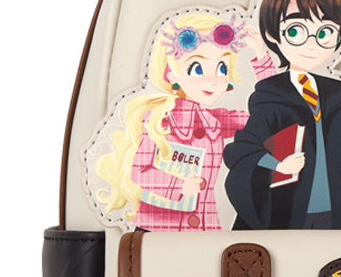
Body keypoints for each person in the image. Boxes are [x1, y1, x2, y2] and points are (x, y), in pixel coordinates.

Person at [223, 0, 341, 229]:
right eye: (296, 31)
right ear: (272, 34)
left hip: (333, 217)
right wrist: (277, 165)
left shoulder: (337, 96)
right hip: (286, 215)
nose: (312, 44)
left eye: (325, 32)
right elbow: (244, 150)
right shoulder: (271, 97)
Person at [95, 12, 274, 230]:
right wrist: (178, 185)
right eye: (197, 69)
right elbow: (139, 171)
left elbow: (268, 115)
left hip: (205, 231)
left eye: (221, 68)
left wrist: (261, 55)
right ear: (171, 75)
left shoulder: (215, 121)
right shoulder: (160, 120)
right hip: (158, 231)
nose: (213, 80)